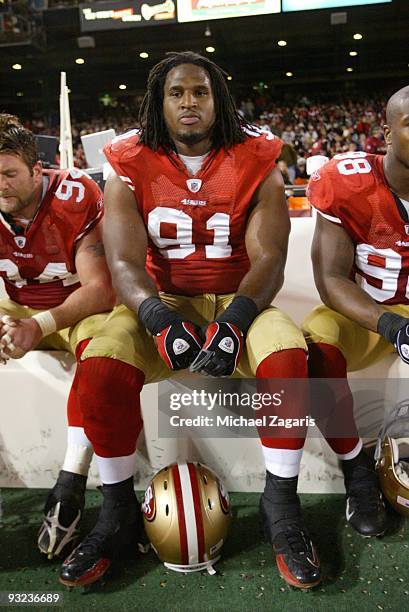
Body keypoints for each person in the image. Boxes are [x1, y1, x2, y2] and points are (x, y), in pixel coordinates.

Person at [58, 50, 321, 589]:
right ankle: (116, 511)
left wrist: (236, 321)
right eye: (176, 93)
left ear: (217, 98)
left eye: (200, 92)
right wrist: (155, 316)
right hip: (166, 299)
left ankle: (280, 505)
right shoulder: (128, 161)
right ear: (159, 102)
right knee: (101, 366)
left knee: (289, 354)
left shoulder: (257, 155)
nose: (188, 103)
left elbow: (270, 256)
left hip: (238, 298)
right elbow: (125, 262)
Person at [0, 115, 144, 583]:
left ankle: (71, 481)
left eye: (8, 174)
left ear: (37, 171)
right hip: (15, 305)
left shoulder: (75, 194)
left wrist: (37, 327)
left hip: (77, 309)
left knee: (100, 352)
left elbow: (100, 288)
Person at [301, 86, 409, 537]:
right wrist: (392, 324)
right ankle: (355, 468)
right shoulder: (348, 181)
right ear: (386, 133)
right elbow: (331, 279)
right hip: (370, 315)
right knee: (314, 341)